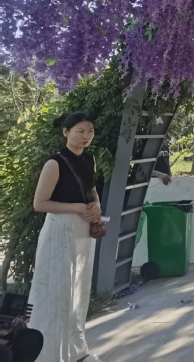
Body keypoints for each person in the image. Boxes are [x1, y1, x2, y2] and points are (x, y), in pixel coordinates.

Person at [29, 112, 105, 362]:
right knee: (57, 293)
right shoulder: (55, 163)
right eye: (80, 131)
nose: (86, 136)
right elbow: (40, 203)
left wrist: (96, 206)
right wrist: (78, 208)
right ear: (66, 132)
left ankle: (76, 351)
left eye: (90, 131)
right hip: (60, 230)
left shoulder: (89, 159)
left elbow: (92, 190)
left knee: (78, 291)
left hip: (81, 231)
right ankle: (50, 355)